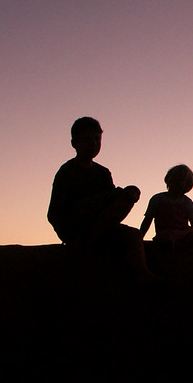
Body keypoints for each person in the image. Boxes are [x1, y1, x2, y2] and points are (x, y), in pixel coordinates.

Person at [48, 116, 151, 277]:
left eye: (97, 139)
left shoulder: (103, 173)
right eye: (87, 139)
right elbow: (54, 213)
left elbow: (112, 204)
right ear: (75, 143)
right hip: (77, 226)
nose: (94, 143)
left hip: (100, 225)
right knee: (115, 195)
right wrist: (69, 237)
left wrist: (128, 194)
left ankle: (143, 277)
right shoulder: (66, 172)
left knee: (133, 231)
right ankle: (88, 242)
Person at [140, 164, 193, 249]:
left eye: (181, 181)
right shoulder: (158, 199)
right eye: (175, 179)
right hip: (165, 234)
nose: (177, 183)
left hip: (185, 234)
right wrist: (140, 237)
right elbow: (147, 220)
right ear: (168, 180)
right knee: (167, 243)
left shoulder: (187, 202)